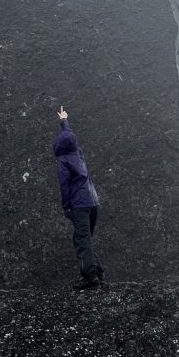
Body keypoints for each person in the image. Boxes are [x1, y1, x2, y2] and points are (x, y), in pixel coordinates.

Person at [52, 105, 104, 289]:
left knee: (81, 240)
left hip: (79, 204)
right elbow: (70, 136)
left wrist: (66, 206)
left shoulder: (63, 160)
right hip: (93, 201)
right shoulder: (77, 152)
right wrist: (64, 120)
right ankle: (97, 272)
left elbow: (64, 185)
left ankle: (90, 277)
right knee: (86, 238)